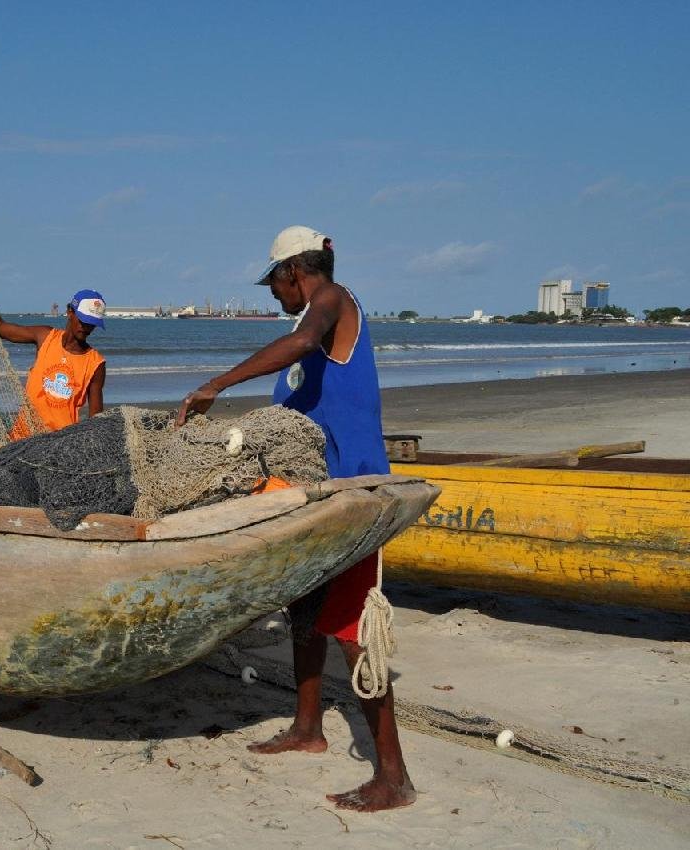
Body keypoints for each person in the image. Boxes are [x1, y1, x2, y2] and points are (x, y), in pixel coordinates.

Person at [176, 225, 414, 812]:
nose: (274, 296)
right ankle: (308, 727)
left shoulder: (331, 302)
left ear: (294, 272)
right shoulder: (308, 320)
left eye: (275, 285)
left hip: (355, 493)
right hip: (313, 495)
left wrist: (218, 383)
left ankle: (393, 777)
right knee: (304, 610)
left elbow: (305, 341)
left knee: (356, 631)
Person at [0, 259, 106, 435]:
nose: (86, 327)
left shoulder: (95, 363)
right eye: (83, 320)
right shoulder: (46, 336)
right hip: (22, 437)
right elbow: (1, 328)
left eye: (92, 323)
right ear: (70, 312)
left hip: (61, 444)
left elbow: (96, 419)